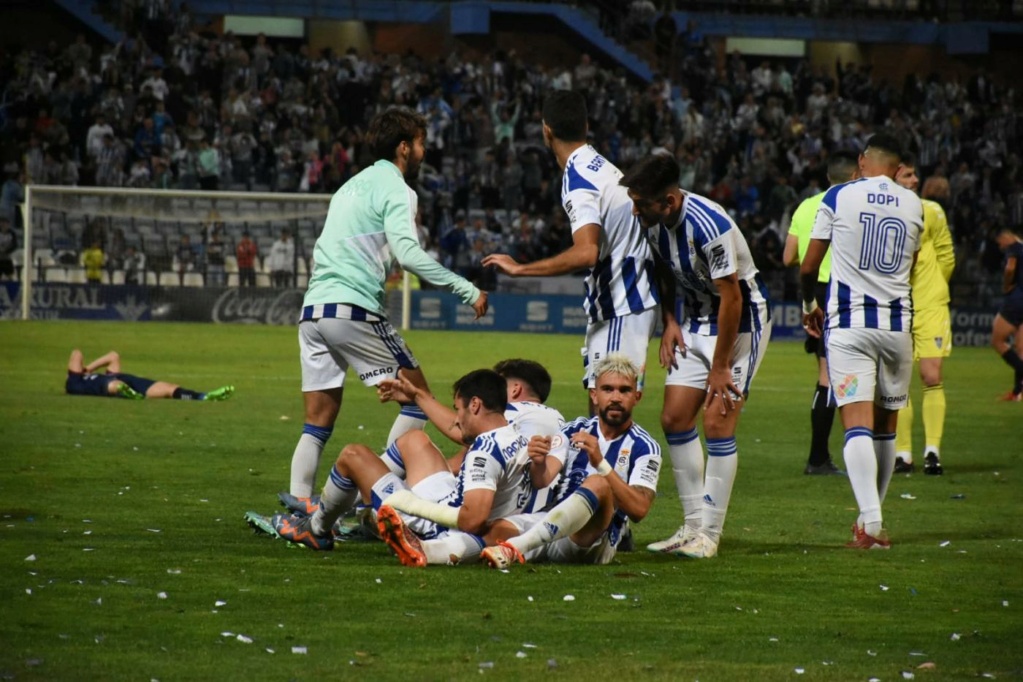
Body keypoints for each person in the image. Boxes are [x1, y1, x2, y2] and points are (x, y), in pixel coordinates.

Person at [280, 107, 487, 514]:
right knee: (418, 397)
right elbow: (408, 254)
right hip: (352, 308)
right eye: (422, 142)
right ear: (404, 146)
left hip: (313, 311)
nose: (425, 150)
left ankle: (300, 503)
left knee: (317, 419)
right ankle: (370, 499)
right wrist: (465, 288)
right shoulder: (396, 187)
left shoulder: (349, 187)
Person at [620, 153, 772, 560]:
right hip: (697, 320)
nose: (634, 210)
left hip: (740, 324)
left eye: (641, 203)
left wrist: (720, 366)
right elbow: (665, 271)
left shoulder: (710, 226)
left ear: (668, 202)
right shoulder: (654, 223)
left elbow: (733, 297)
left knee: (717, 423)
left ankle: (710, 533)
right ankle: (690, 527)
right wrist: (670, 321)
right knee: (674, 418)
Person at [483, 90, 659, 410]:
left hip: (622, 301)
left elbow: (586, 252)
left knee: (610, 412)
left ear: (545, 130)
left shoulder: (579, 177)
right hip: (624, 300)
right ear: (586, 125)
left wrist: (521, 268)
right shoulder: (602, 166)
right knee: (601, 412)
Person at [801, 132, 924, 550]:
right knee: (887, 427)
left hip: (850, 326)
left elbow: (809, 264)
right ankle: (868, 519)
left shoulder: (839, 196)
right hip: (897, 327)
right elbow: (914, 265)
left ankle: (870, 523)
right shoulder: (914, 204)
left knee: (856, 424)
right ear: (897, 166)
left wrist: (807, 304)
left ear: (863, 161)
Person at [270, 369, 530, 556]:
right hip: (452, 498)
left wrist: (414, 505)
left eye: (459, 409)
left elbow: (472, 521)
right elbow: (457, 429)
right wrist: (416, 395)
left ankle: (316, 528)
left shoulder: (484, 451)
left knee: (353, 455)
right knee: (414, 440)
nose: (457, 419)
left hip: (436, 527)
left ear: (475, 405)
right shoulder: (514, 434)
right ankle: (354, 503)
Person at [477, 354, 661, 568]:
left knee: (598, 483)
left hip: (591, 539)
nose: (616, 398)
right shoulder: (574, 429)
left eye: (624, 390)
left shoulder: (645, 447)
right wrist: (538, 461)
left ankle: (515, 547)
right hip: (552, 523)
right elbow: (542, 480)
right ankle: (433, 552)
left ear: (637, 397)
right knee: (493, 530)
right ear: (594, 395)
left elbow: (639, 510)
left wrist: (601, 464)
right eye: (608, 389)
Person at [783, 152, 860, 475]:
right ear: (855, 174)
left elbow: (788, 257)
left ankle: (821, 457)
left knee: (827, 373)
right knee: (843, 376)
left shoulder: (806, 206)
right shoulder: (854, 203)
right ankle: (821, 458)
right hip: (844, 291)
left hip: (815, 293)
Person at [893, 160, 956, 474]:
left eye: (915, 174)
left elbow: (946, 254)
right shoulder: (885, 213)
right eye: (908, 175)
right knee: (899, 380)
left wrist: (934, 285)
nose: (916, 180)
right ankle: (903, 454)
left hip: (930, 304)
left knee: (932, 376)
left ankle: (932, 450)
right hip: (897, 303)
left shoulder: (932, 211)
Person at [65, 350, 234, 401]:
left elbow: (113, 356)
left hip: (130, 382)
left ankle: (202, 396)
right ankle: (127, 393)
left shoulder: (87, 376)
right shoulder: (75, 383)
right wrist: (87, 371)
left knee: (170, 389)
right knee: (114, 386)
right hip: (106, 386)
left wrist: (90, 369)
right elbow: (77, 353)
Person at [992, 228, 1023, 401]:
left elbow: (1010, 269)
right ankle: (1017, 392)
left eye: (1000, 241)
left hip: (1017, 300)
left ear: (1007, 236)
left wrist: (1007, 285)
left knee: (997, 340)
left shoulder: (1014, 248)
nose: (1000, 245)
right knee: (1021, 349)